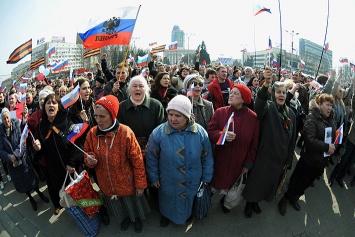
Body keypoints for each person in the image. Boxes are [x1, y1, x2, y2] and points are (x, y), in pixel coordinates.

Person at [145, 95, 214, 227]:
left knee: (188, 199)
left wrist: (207, 177)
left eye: (178, 115)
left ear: (187, 116)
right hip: (168, 179)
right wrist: (153, 177)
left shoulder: (200, 133)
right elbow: (151, 157)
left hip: (193, 179)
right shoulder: (159, 133)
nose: (173, 119)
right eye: (170, 114)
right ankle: (166, 215)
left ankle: (186, 216)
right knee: (168, 200)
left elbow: (207, 157)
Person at [84, 95, 149, 233]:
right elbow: (87, 154)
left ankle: (136, 219)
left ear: (112, 115)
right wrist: (90, 160)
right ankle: (124, 219)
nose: (98, 120)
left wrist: (140, 184)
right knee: (117, 205)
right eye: (96, 116)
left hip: (126, 182)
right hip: (107, 183)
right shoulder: (92, 134)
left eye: (102, 116)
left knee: (133, 204)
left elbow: (138, 161)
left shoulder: (125, 132)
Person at [242, 67, 297, 214]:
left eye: (284, 92)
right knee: (256, 182)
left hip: (279, 159)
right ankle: (249, 203)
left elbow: (293, 138)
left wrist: (289, 159)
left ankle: (256, 202)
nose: (281, 95)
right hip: (264, 156)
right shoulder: (268, 107)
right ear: (273, 94)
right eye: (278, 92)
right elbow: (258, 106)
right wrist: (266, 84)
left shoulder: (291, 112)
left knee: (267, 184)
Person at [278, 94, 336, 215]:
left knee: (307, 184)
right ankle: (285, 199)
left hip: (321, 162)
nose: (330, 108)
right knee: (298, 183)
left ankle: (295, 198)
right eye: (327, 105)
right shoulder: (312, 118)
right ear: (320, 105)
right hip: (308, 160)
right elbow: (310, 140)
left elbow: (331, 137)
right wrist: (326, 147)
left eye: (331, 105)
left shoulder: (330, 119)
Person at [208, 84, 259, 216]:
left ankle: (226, 204)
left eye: (235, 93)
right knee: (213, 186)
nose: (231, 94)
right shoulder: (220, 112)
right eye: (231, 92)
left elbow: (254, 144)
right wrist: (221, 135)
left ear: (244, 99)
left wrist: (248, 164)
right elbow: (210, 132)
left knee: (231, 187)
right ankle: (205, 203)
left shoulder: (253, 118)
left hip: (239, 163)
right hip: (220, 160)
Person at [32, 94, 83, 215]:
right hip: (53, 168)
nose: (51, 105)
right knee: (58, 190)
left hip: (70, 166)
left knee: (78, 190)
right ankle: (60, 205)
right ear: (43, 108)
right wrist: (38, 148)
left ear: (58, 107)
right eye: (48, 103)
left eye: (54, 103)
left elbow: (77, 143)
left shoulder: (66, 121)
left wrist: (72, 162)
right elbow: (40, 153)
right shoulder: (40, 127)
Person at [0, 108, 49, 211]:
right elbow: (1, 150)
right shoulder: (0, 133)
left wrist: (16, 155)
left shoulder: (17, 125)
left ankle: (39, 193)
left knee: (31, 180)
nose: (6, 121)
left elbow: (22, 142)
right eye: (4, 119)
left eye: (7, 118)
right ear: (2, 120)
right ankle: (31, 199)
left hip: (23, 160)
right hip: (12, 164)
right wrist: (10, 158)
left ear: (10, 117)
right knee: (22, 184)